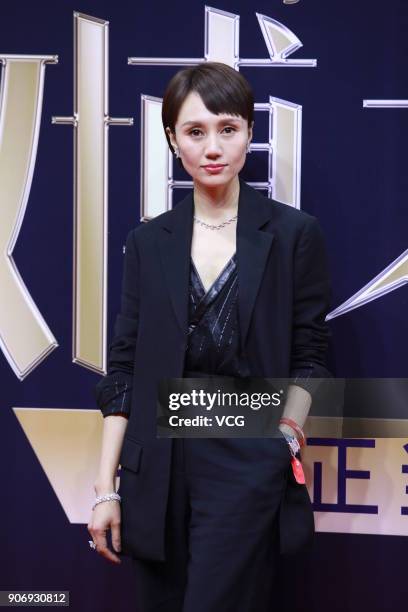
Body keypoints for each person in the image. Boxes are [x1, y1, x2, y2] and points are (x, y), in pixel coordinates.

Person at [88, 61, 332, 612]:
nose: (213, 147)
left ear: (250, 132)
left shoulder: (293, 235)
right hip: (157, 466)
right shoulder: (148, 242)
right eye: (195, 132)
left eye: (228, 129)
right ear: (173, 140)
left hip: (246, 459)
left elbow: (312, 357)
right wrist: (107, 487)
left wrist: (284, 436)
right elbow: (122, 370)